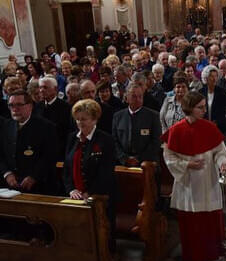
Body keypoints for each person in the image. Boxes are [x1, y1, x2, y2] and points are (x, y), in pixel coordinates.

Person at [161, 91, 226, 261]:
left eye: (204, 106)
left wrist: (223, 163)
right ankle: (194, 260)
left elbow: (221, 152)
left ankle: (212, 254)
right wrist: (187, 164)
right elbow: (169, 157)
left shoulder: (209, 127)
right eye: (200, 107)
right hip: (188, 184)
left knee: (210, 220)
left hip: (208, 181)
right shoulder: (176, 130)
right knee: (191, 224)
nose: (204, 110)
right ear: (189, 109)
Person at [63, 99, 118, 248]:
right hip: (75, 195)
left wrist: (89, 192)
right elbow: (67, 169)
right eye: (78, 119)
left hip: (100, 196)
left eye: (84, 119)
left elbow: (106, 172)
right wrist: (71, 189)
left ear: (94, 119)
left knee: (102, 238)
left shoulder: (105, 140)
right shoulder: (71, 138)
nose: (80, 123)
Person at [0, 90, 58, 194]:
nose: (14, 109)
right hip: (8, 186)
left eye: (19, 105)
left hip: (38, 187)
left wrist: (34, 177)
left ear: (30, 106)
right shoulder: (5, 126)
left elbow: (49, 156)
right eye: (11, 105)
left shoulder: (46, 127)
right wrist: (7, 173)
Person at [112, 82, 161, 167]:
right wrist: (124, 158)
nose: (138, 99)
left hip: (147, 163)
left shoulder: (153, 116)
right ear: (126, 98)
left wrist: (138, 159)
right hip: (123, 163)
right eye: (134, 96)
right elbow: (114, 141)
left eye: (140, 96)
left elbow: (156, 142)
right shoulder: (118, 116)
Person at [199, 65, 226, 135]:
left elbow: (223, 111)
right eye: (211, 76)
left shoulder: (222, 92)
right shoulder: (200, 92)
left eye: (216, 76)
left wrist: (216, 123)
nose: (214, 79)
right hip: (203, 125)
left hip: (218, 126)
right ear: (206, 78)